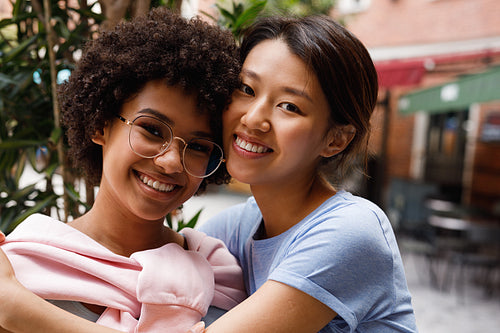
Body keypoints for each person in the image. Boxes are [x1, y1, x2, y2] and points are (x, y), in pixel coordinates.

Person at [0, 13, 417, 333]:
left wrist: (14, 307)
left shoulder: (350, 231)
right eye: (247, 90)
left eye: (289, 106)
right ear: (100, 124)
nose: (254, 118)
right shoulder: (231, 235)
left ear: (336, 140)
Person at [0, 7, 246, 333]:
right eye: (152, 130)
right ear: (101, 124)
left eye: (198, 146)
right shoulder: (21, 267)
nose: (171, 161)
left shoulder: (220, 275)